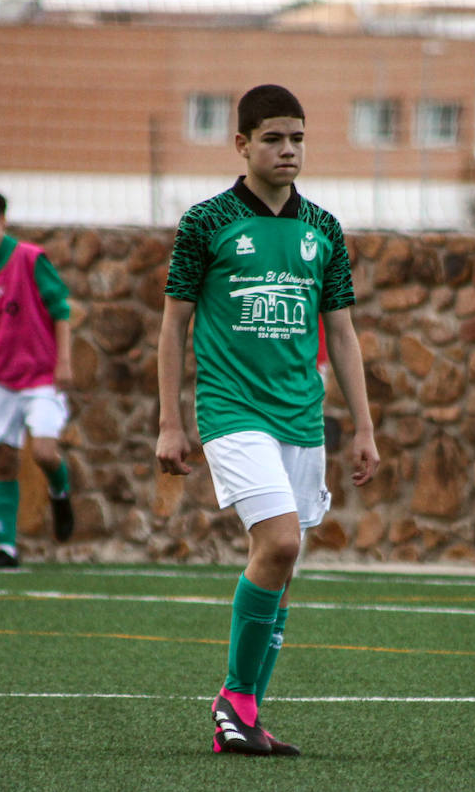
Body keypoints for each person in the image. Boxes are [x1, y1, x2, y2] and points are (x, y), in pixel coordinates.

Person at [156, 84, 380, 756]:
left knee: (284, 563)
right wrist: (171, 421)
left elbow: (341, 334)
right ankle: (233, 697)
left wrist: (364, 427)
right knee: (280, 544)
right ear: (242, 145)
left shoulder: (323, 230)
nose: (289, 150)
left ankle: (243, 716)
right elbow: (174, 328)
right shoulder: (206, 222)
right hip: (231, 410)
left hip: (301, 420)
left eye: (299, 138)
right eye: (275, 138)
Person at [0, 190, 75, 568]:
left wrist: (64, 361)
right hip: (0, 381)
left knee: (43, 452)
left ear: (1, 221)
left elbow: (60, 310)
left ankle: (60, 492)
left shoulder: (29, 258)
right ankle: (6, 547)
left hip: (41, 377)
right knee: (4, 461)